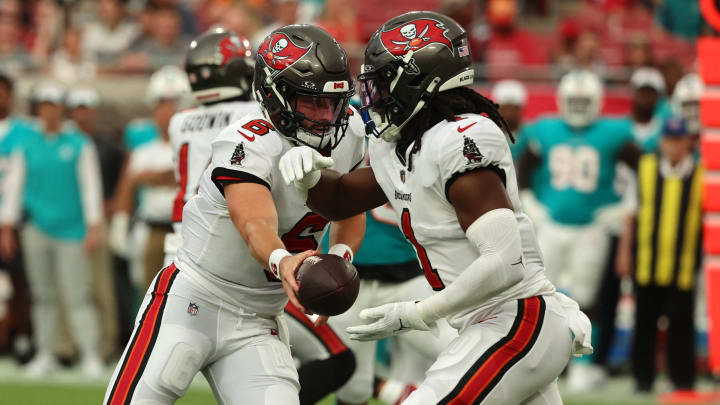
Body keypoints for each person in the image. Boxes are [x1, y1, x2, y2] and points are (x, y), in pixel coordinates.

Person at [280, 11, 592, 404]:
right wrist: (308, 176)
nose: (373, 98)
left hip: (516, 319)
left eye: (381, 85)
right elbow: (342, 199)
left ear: (417, 84)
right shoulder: (402, 144)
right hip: (492, 323)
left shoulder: (460, 139)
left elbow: (504, 259)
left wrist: (419, 313)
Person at [103, 24, 366, 404]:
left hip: (260, 318)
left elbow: (348, 209)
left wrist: (339, 260)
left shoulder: (351, 132)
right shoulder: (247, 139)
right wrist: (283, 261)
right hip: (195, 295)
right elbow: (253, 222)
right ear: (276, 97)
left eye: (333, 103)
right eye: (312, 102)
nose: (327, 116)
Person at [0, 80, 104, 377]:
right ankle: (44, 353)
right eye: (44, 106)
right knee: (42, 295)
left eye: (54, 105)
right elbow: (14, 188)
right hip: (37, 228)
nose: (49, 112)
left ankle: (90, 353)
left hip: (72, 230)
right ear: (39, 109)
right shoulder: (27, 146)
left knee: (77, 294)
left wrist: (93, 225)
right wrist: (7, 227)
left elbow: (90, 188)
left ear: (62, 109)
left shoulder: (78, 144)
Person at [616, 117, 703, 395]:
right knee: (645, 324)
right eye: (669, 140)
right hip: (647, 262)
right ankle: (643, 379)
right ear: (662, 142)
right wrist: (624, 252)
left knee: (681, 327)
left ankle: (683, 381)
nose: (674, 146)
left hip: (684, 264)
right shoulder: (646, 169)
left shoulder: (702, 174)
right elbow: (630, 216)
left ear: (689, 142)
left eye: (679, 140)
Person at [110, 65, 187, 290]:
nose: (168, 110)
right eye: (162, 104)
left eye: (173, 103)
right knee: (146, 289)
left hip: (185, 227)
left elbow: (191, 175)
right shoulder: (143, 149)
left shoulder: (194, 140)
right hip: (150, 226)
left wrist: (152, 177)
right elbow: (128, 185)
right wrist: (120, 222)